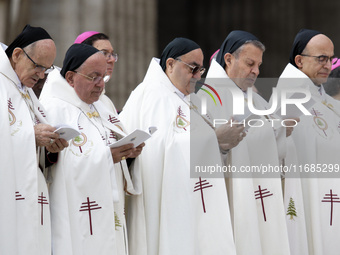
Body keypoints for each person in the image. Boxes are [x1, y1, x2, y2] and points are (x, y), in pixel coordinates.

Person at [119, 37, 237, 255]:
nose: (197, 76)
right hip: (163, 197)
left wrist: (219, 144)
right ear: (170, 64)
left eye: (201, 70)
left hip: (189, 193)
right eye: (192, 68)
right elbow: (156, 149)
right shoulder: (152, 94)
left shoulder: (187, 100)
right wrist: (214, 140)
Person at [39, 44, 143, 255]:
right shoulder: (53, 107)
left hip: (109, 205)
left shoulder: (102, 105)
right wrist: (108, 157)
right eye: (93, 77)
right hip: (76, 209)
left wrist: (127, 155)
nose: (100, 85)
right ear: (70, 77)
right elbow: (53, 165)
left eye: (103, 77)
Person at [200, 30, 292, 255]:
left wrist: (285, 127)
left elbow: (274, 145)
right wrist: (219, 143)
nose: (256, 71)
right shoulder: (207, 98)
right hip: (232, 198)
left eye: (259, 65)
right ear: (229, 59)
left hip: (264, 194)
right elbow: (200, 154)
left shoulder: (257, 100)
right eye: (251, 63)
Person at [0, 25, 68, 254]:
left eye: (46, 70)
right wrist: (31, 135)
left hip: (31, 194)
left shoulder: (25, 89)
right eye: (38, 66)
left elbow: (33, 141)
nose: (41, 75)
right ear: (17, 54)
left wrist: (50, 149)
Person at [276, 28, 340, 255]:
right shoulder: (288, 95)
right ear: (299, 61)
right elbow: (278, 149)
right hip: (304, 193)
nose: (328, 65)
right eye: (321, 58)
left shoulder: (324, 98)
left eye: (331, 59)